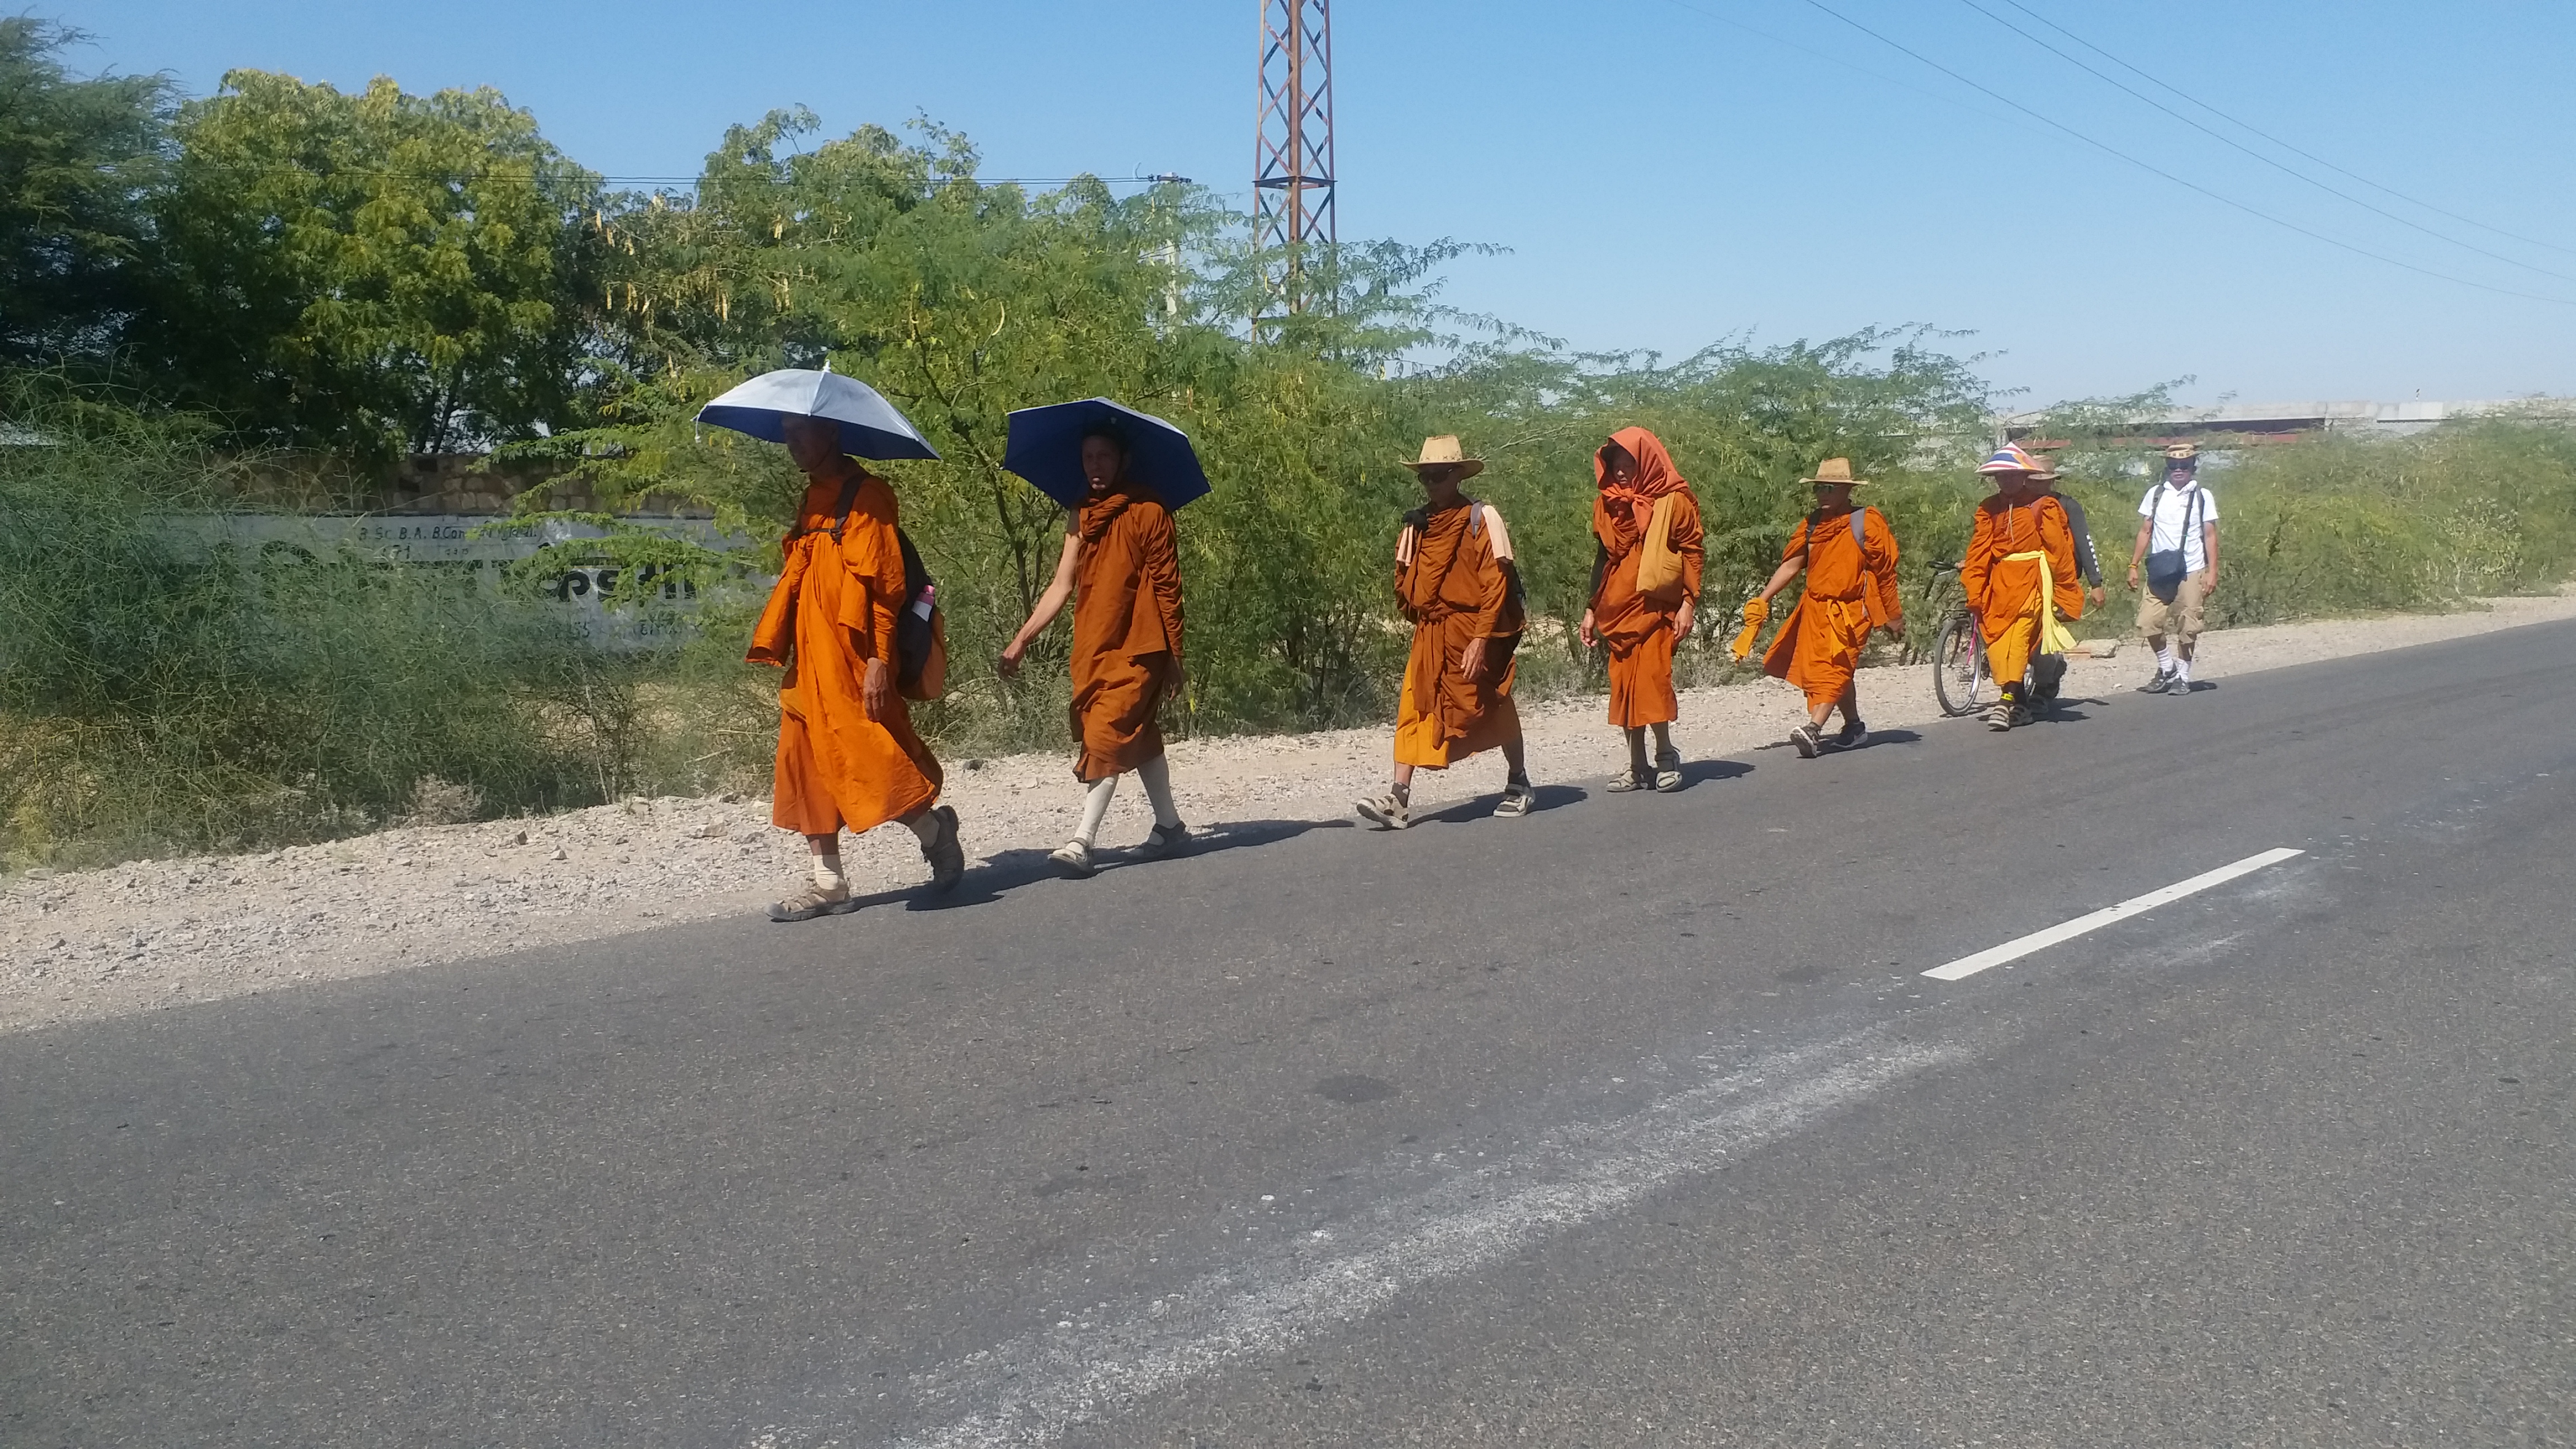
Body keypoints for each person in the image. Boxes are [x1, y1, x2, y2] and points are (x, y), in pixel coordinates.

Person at [746, 413, 964, 920]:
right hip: (810, 660)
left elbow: (887, 592)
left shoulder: (869, 497)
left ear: (833, 434)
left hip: (854, 661)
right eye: (788, 435)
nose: (792, 444)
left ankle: (935, 833)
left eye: (802, 433)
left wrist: (879, 662)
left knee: (873, 758)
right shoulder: (810, 500)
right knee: (805, 761)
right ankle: (828, 882)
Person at [998, 422, 1190, 878]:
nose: (1095, 466)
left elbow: (1168, 586)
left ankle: (1082, 840)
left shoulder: (1150, 510)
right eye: (1088, 458)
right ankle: (1170, 827)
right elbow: (1061, 585)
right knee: (1133, 734)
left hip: (1142, 645)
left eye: (1104, 456)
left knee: (1105, 733)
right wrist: (1022, 639)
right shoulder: (1080, 513)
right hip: (1096, 643)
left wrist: (1176, 657)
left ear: (1123, 460)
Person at [1356, 437, 1533, 829]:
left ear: (1456, 475)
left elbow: (1496, 583)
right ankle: (1398, 798)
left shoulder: (1481, 519)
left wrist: (1482, 639)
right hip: (1432, 634)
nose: (1431, 484)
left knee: (1495, 703)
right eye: (1425, 477)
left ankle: (1519, 781)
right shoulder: (1419, 525)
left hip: (1472, 632)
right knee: (1414, 705)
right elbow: (1406, 584)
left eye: (1437, 476)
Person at [1742, 458, 1902, 756]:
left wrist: (1893, 615)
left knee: (1836, 669)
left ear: (1846, 489)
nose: (1823, 494)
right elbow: (1791, 565)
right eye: (1819, 489)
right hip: (1815, 608)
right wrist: (1762, 599)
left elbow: (1885, 573)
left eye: (1830, 488)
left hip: (1854, 609)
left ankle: (1813, 729)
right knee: (1830, 671)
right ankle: (1854, 726)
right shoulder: (1813, 524)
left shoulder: (1867, 522)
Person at [1578, 428, 1703, 792]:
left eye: (1628, 460)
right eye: (1615, 461)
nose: (1620, 469)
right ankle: (1637, 765)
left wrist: (1688, 603)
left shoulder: (1673, 501)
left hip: (1656, 607)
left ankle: (1666, 756)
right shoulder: (1606, 503)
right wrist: (1590, 610)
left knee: (1652, 682)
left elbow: (1692, 552)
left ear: (1646, 460)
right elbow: (1603, 558)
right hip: (1617, 609)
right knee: (1624, 687)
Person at [1960, 443, 2083, 731]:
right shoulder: (1988, 508)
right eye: (2001, 476)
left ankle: (2005, 702)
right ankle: (2021, 703)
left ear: (2025, 476)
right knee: (1998, 644)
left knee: (2018, 641)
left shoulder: (2044, 506)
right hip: (2000, 586)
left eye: (2012, 475)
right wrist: (1975, 591)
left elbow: (2061, 553)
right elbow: (1978, 552)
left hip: (2033, 582)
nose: (2006, 480)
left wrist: (2067, 593)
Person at [2127, 442, 2221, 695]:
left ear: (2193, 467)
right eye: (2173, 465)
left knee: (2189, 624)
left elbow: (2210, 535)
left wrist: (2212, 572)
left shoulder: (2202, 496)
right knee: (2147, 622)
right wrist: (2133, 564)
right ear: (2167, 467)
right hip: (2160, 569)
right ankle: (2166, 666)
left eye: (2184, 465)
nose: (2179, 470)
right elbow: (2145, 531)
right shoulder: (2156, 494)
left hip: (2191, 568)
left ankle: (2183, 675)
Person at [2028, 456, 2104, 704]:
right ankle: (2046, 673)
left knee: (2044, 633)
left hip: (2057, 582)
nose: (2038, 486)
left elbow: (2084, 543)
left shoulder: (2068, 506)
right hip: (2025, 580)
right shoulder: (2018, 506)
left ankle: (2042, 688)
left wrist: (2096, 582)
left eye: (2043, 481)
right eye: (2033, 480)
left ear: (2051, 482)